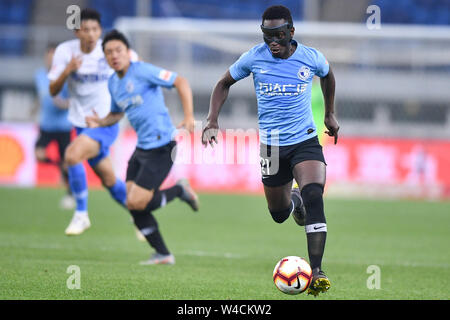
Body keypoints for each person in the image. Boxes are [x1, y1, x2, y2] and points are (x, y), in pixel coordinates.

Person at [202, 5, 339, 296]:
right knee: (278, 214)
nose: (272, 42)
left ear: (291, 32)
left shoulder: (310, 57)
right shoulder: (255, 57)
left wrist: (329, 114)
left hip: (305, 140)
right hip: (272, 147)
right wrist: (212, 119)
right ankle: (294, 202)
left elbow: (328, 75)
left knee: (315, 193)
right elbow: (223, 83)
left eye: (278, 35)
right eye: (267, 36)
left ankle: (316, 271)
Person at [86, 30, 199, 265]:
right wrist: (99, 121)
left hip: (162, 146)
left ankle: (179, 191)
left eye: (118, 51)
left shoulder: (143, 70)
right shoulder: (113, 83)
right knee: (132, 203)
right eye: (109, 52)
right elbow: (116, 114)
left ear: (128, 53)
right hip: (142, 148)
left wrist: (189, 116)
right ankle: (163, 254)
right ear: (105, 57)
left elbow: (180, 81)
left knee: (137, 202)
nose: (114, 55)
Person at [48, 9, 138, 236]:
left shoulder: (108, 51)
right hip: (80, 123)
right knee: (108, 180)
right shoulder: (65, 52)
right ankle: (141, 215)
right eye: (85, 29)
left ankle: (81, 214)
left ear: (100, 31)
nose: (90, 34)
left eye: (95, 30)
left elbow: (136, 64)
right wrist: (67, 71)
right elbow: (53, 90)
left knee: (71, 155)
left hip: (105, 122)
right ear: (77, 31)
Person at [35, 44, 74, 210]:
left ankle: (70, 194)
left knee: (68, 162)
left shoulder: (65, 77)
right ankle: (58, 165)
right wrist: (34, 107)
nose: (51, 59)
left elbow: (74, 100)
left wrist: (63, 105)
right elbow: (42, 96)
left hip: (63, 126)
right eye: (49, 56)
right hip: (46, 125)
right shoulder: (38, 75)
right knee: (39, 155)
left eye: (54, 56)